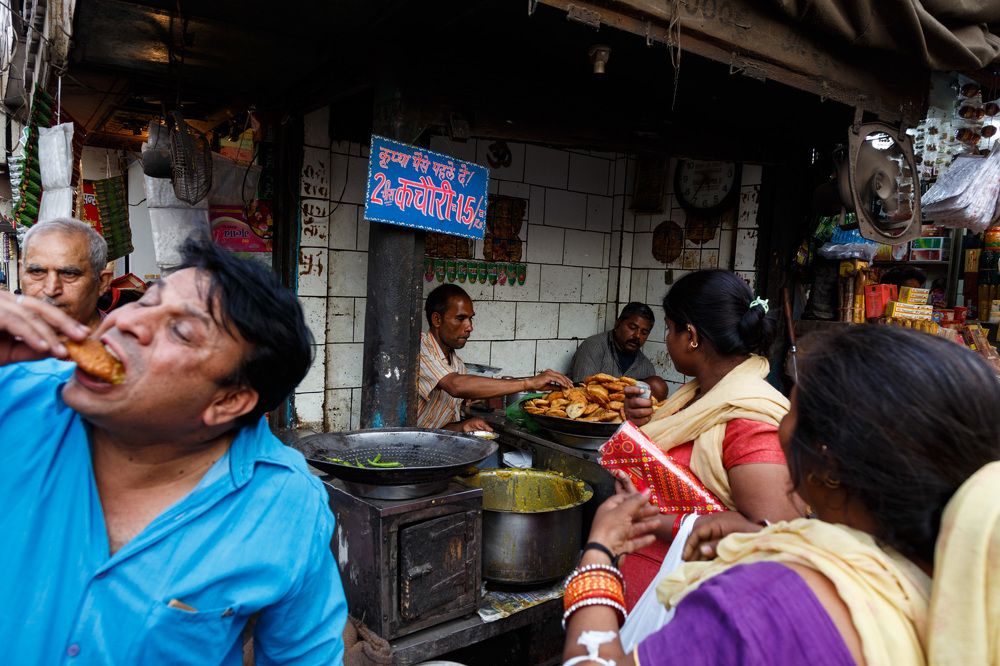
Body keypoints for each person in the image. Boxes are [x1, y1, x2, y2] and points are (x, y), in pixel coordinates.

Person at [563, 325, 1000, 666]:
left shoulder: (765, 603)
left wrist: (599, 555)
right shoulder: (961, 582)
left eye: (791, 407)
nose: (778, 419)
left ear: (828, 465)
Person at [0, 240, 347, 664]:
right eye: (147, 301)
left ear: (229, 401)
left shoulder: (285, 506)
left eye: (180, 331)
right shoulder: (14, 393)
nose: (129, 323)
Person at [616, 269, 803, 611]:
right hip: (651, 592)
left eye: (670, 330)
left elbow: (773, 533)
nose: (666, 340)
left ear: (691, 336)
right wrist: (637, 424)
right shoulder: (699, 396)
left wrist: (656, 521)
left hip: (693, 605)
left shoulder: (748, 417)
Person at [419, 284, 572, 432]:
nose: (469, 327)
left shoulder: (457, 366)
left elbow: (435, 430)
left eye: (471, 318)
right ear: (437, 320)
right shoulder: (419, 349)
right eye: (460, 318)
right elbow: (456, 386)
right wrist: (529, 383)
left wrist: (463, 426)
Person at [19, 217, 113, 327]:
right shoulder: (6, 337)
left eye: (69, 274)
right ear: (21, 272)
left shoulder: (125, 342)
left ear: (102, 282)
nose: (51, 290)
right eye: (37, 272)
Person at [571, 302, 668, 399]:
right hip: (591, 411)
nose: (637, 336)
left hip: (629, 414)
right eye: (632, 327)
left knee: (657, 385)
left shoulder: (646, 368)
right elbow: (581, 392)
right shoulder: (593, 347)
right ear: (618, 324)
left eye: (644, 332)